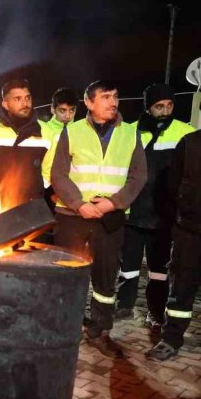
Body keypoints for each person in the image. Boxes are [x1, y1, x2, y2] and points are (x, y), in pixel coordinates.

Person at [51, 80, 146, 358]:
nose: (112, 102)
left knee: (105, 276)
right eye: (105, 97)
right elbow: (58, 174)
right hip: (72, 216)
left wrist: (113, 203)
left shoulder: (130, 133)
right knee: (68, 272)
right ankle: (66, 325)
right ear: (89, 102)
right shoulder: (72, 131)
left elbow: (138, 176)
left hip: (111, 218)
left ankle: (100, 329)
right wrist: (79, 204)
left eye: (115, 96)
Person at [115, 83, 195, 329]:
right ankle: (123, 306)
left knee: (159, 271)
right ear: (148, 108)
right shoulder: (129, 132)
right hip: (132, 212)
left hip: (163, 216)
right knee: (127, 267)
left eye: (169, 105)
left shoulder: (185, 132)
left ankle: (156, 312)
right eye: (159, 106)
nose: (165, 110)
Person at [150, 127, 201, 361]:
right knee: (181, 287)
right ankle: (171, 338)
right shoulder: (189, 143)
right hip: (189, 230)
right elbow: (172, 186)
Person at [0, 79, 55, 209]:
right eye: (17, 99)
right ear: (6, 104)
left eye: (27, 98)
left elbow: (48, 170)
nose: (25, 103)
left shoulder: (47, 132)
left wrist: (36, 190)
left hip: (31, 206)